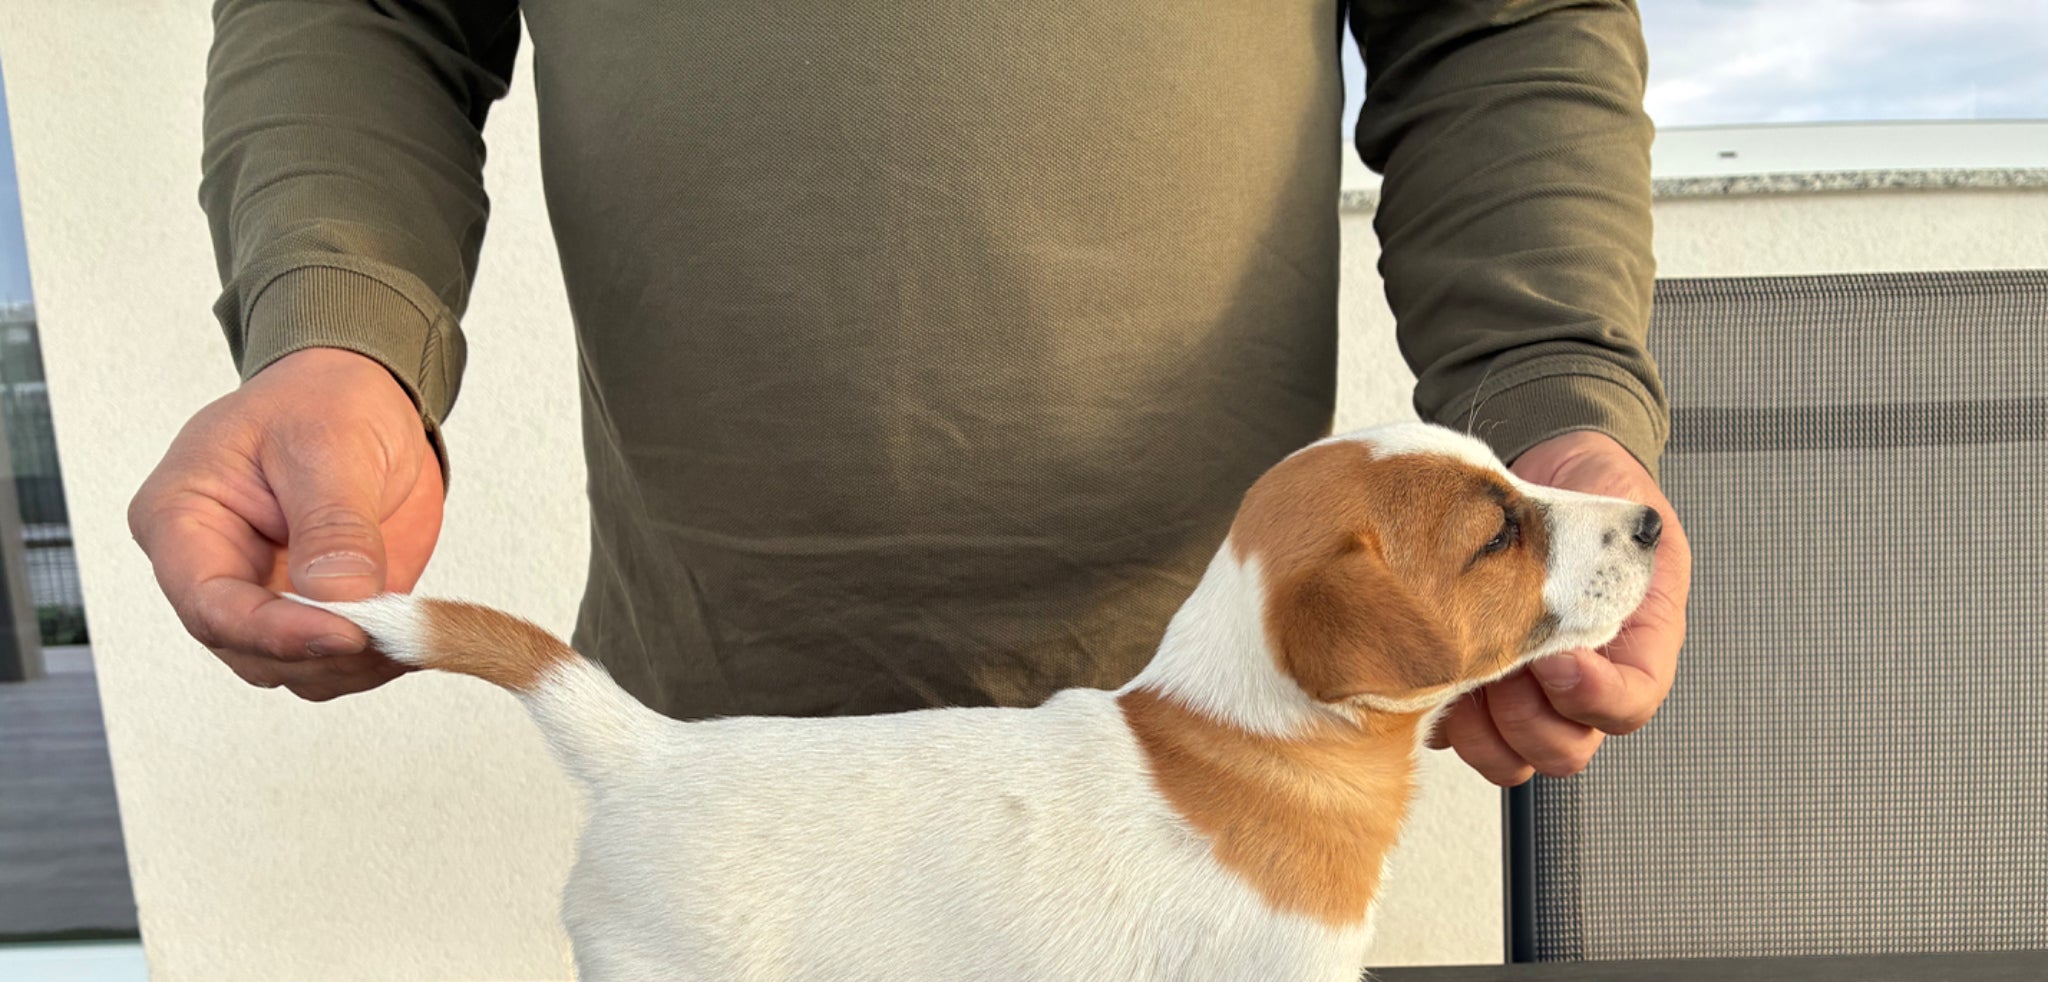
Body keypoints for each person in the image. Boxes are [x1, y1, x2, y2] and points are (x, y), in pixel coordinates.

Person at [131, 0, 1689, 788]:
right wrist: (340, 333)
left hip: (1217, 760)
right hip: (726, 758)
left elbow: (1495, 22)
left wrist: (1558, 394)